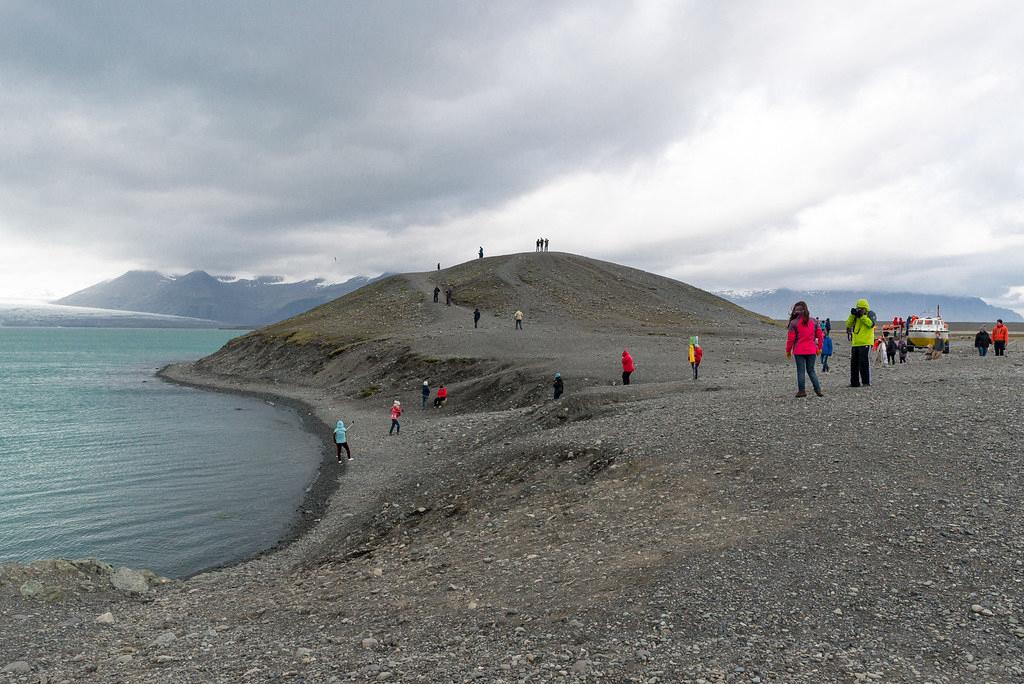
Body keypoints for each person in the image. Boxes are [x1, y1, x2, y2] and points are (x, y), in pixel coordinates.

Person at [785, 300, 824, 398]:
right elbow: (820, 335)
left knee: (801, 371)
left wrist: (788, 350)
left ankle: (802, 391)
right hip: (811, 350)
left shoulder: (793, 323)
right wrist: (819, 347)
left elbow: (791, 339)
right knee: (811, 370)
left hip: (799, 351)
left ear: (795, 311)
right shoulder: (814, 321)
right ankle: (818, 389)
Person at [846, 298, 876, 387]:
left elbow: (871, 324)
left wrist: (862, 316)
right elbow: (848, 324)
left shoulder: (870, 314)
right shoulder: (856, 316)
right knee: (854, 363)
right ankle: (854, 382)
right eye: (859, 308)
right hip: (855, 343)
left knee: (863, 362)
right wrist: (852, 315)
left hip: (866, 342)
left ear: (865, 308)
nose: (860, 310)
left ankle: (866, 382)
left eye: (862, 309)